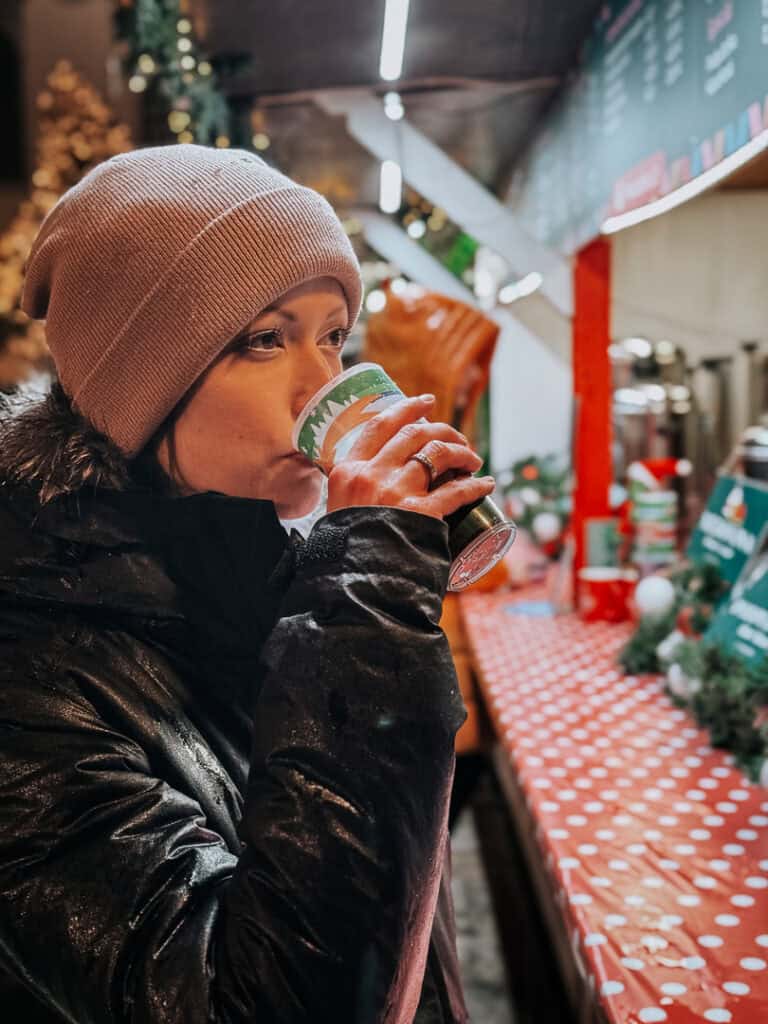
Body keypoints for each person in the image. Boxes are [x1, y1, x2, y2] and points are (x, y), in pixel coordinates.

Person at [0, 145, 496, 1023]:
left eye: (333, 336)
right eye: (264, 341)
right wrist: (371, 586)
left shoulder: (268, 575)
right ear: (136, 391)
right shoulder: (31, 678)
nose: (323, 384)